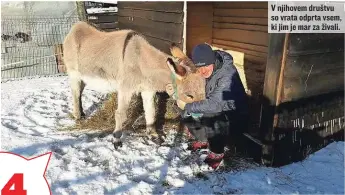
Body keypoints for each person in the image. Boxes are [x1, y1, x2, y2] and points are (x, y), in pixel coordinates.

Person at [167, 43, 249, 169]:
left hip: (234, 115)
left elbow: (215, 104)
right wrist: (176, 93)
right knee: (187, 113)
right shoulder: (206, 71)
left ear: (213, 61)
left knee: (210, 112)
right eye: (199, 68)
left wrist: (188, 106)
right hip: (216, 106)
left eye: (206, 66)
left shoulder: (226, 74)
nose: (203, 71)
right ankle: (203, 140)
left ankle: (217, 152)